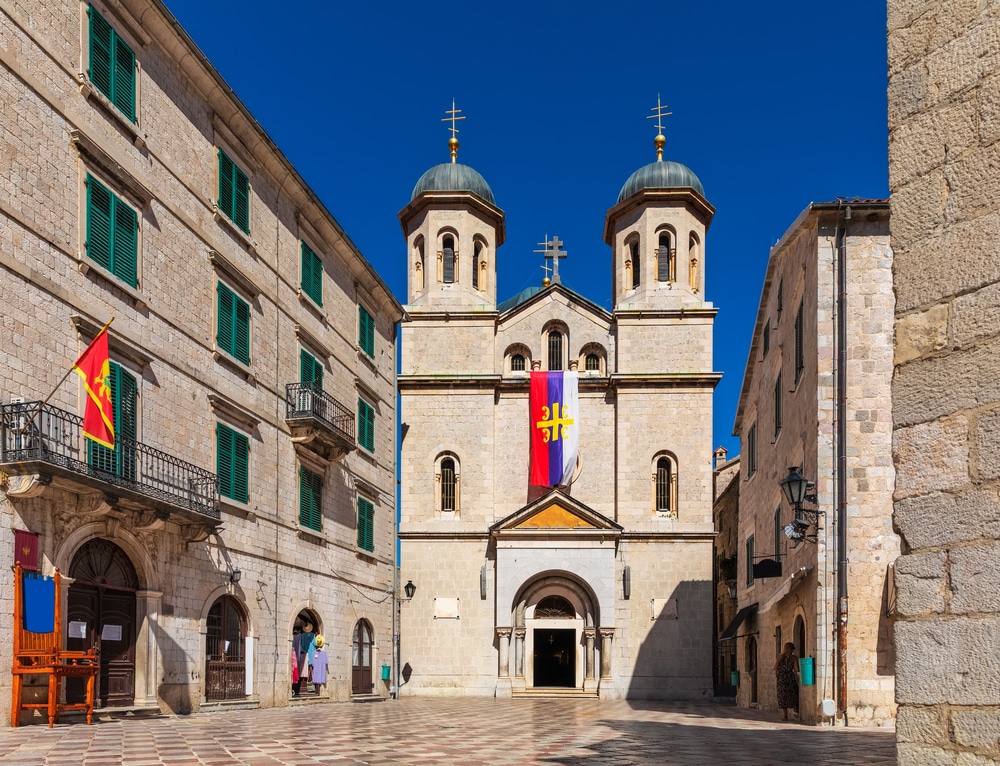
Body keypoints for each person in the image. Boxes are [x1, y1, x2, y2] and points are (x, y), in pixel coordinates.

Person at [774, 642, 799, 720]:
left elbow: (775, 667)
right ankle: (796, 708)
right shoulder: (794, 658)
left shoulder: (780, 657)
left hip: (781, 677)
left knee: (782, 695)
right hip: (790, 676)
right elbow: (796, 669)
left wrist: (780, 671)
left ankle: (785, 716)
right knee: (793, 692)